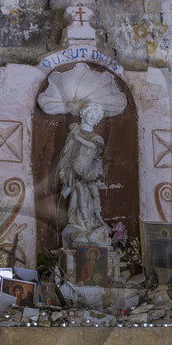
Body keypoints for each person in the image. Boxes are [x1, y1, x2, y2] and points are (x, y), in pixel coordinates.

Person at [56, 103, 108, 246]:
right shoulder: (74, 134)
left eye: (96, 116)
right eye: (90, 113)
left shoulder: (97, 138)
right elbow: (67, 154)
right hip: (76, 170)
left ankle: (95, 218)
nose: (92, 117)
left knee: (93, 195)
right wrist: (63, 172)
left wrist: (77, 137)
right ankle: (83, 222)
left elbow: (96, 155)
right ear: (83, 114)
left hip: (89, 172)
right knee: (79, 197)